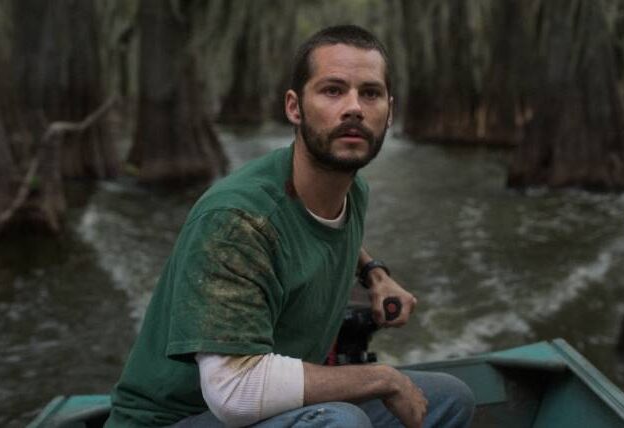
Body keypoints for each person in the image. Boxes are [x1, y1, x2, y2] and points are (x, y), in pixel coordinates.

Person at [106, 25, 475, 428]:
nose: (353, 107)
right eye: (333, 90)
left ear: (389, 111)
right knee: (339, 422)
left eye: (369, 93)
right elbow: (235, 392)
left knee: (450, 398)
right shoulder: (236, 219)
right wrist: (382, 378)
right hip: (181, 418)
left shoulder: (352, 192)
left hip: (272, 410)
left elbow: (321, 230)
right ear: (294, 107)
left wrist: (374, 273)